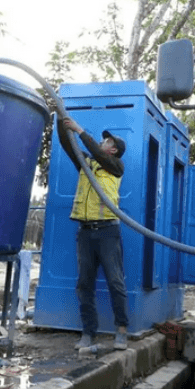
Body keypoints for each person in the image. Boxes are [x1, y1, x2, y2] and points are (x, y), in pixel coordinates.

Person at [57, 117, 129, 351]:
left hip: (108, 231)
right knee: (84, 284)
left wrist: (80, 130)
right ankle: (88, 332)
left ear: (113, 149)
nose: (101, 142)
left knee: (115, 282)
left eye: (105, 141)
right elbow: (70, 146)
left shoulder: (116, 166)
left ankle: (121, 330)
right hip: (85, 233)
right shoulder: (86, 164)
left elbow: (97, 153)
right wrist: (61, 121)